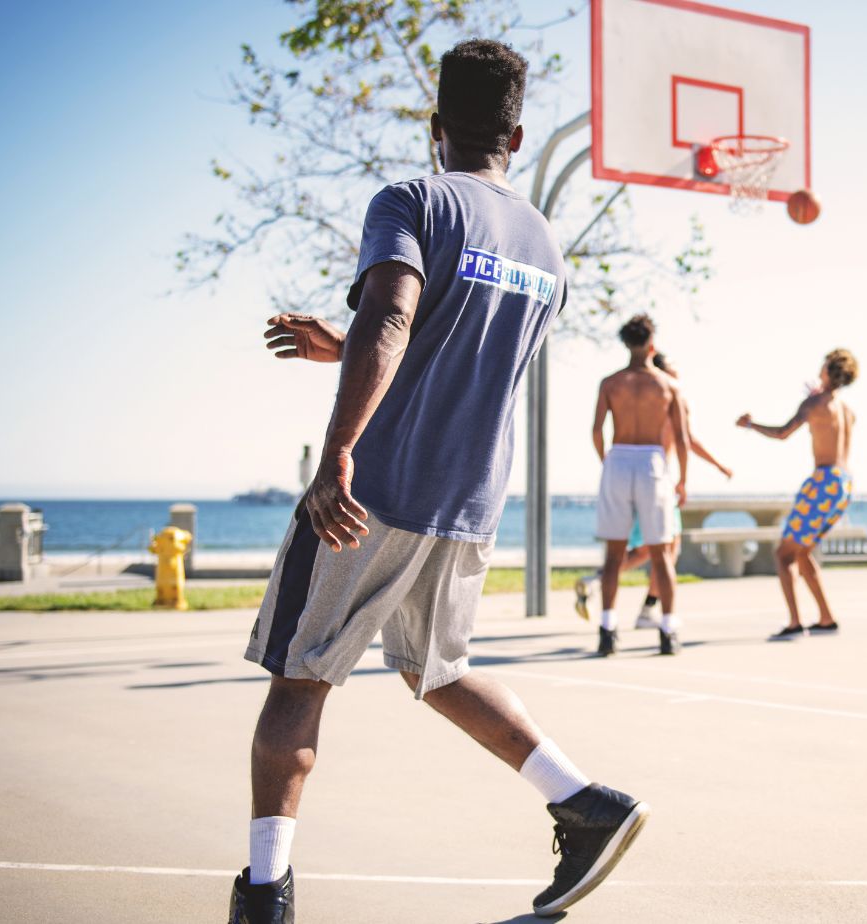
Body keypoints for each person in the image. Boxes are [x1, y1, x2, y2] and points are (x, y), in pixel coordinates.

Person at [236, 40, 648, 923]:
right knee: (440, 670)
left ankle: (264, 894)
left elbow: (395, 311)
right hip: (467, 501)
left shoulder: (412, 199)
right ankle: (585, 804)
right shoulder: (546, 245)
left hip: (378, 488)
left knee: (299, 680)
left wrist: (339, 446)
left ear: (436, 129)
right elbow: (460, 348)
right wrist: (343, 348)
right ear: (519, 130)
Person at [574, 351, 732, 628]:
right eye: (673, 370)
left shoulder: (648, 397)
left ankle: (631, 602)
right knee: (661, 552)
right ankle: (635, 604)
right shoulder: (666, 400)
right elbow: (687, 440)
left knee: (653, 551)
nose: (678, 376)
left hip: (642, 479)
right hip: (656, 483)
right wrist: (714, 467)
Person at [736, 349, 859, 640]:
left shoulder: (815, 402)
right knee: (801, 551)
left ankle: (794, 623)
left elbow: (782, 433)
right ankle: (826, 618)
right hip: (843, 483)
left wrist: (751, 425)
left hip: (823, 480)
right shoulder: (847, 410)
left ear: (829, 370)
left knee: (783, 554)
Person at [589, 315, 689, 656]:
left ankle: (607, 628)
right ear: (651, 343)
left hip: (619, 458)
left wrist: (608, 461)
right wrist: (683, 480)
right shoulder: (667, 385)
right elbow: (682, 438)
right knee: (662, 552)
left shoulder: (611, 383)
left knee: (615, 554)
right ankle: (668, 630)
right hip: (651, 461)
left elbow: (596, 429)